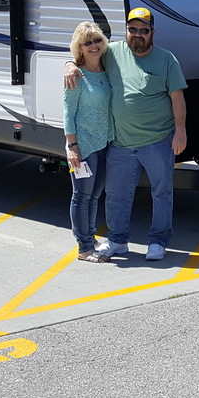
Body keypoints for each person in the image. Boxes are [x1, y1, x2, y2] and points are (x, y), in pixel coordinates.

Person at [66, 7, 187, 262]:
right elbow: (84, 53)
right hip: (120, 143)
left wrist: (180, 130)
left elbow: (177, 97)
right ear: (127, 30)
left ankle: (158, 241)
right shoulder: (112, 52)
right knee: (116, 195)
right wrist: (68, 64)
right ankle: (118, 240)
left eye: (144, 30)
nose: (138, 35)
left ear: (153, 32)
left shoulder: (167, 60)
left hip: (157, 140)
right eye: (133, 29)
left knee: (161, 193)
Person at [63, 22, 113, 262]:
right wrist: (72, 146)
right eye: (87, 42)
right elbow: (68, 113)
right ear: (79, 48)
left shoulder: (106, 69)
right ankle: (84, 248)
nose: (93, 46)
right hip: (82, 146)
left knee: (95, 195)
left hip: (104, 142)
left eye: (96, 40)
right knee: (81, 195)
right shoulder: (76, 76)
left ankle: (90, 237)